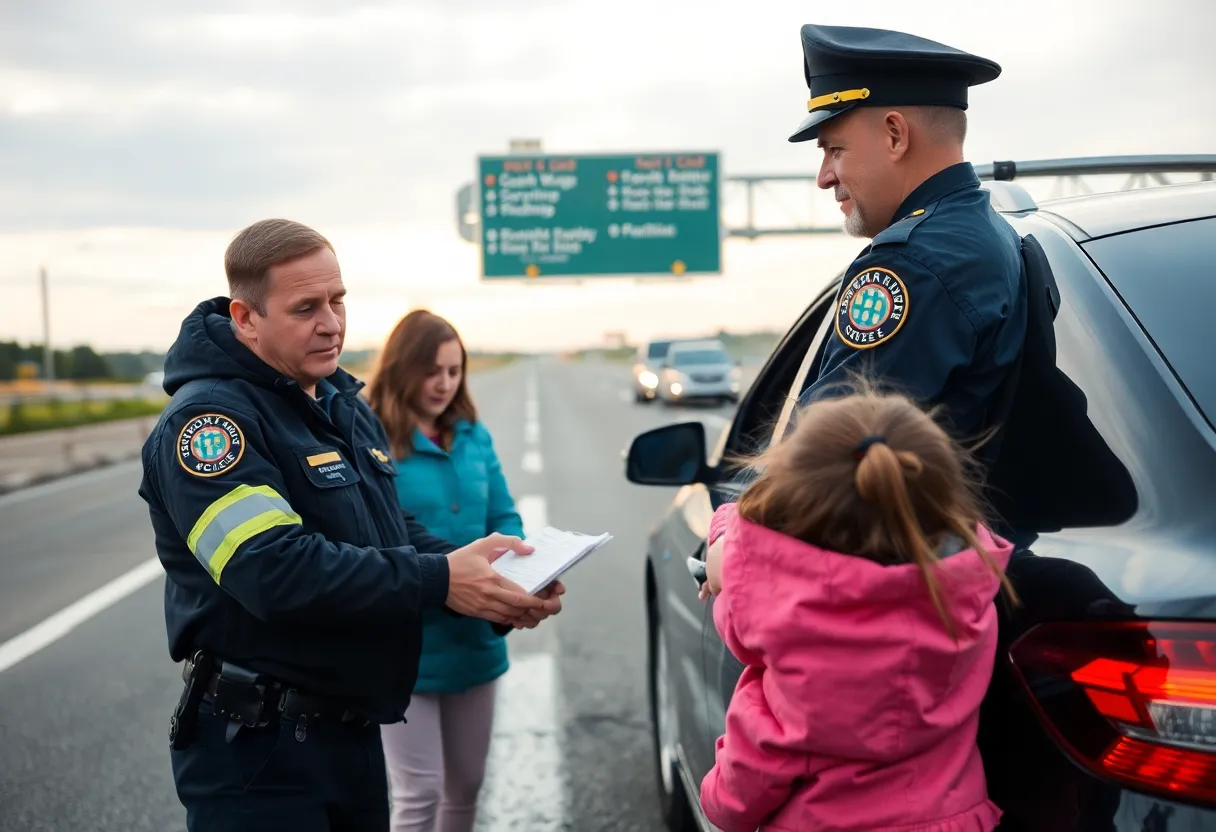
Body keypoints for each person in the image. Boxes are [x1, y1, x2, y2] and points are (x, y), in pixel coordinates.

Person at [137, 218, 563, 832]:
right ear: (246, 317)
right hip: (261, 754)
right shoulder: (210, 425)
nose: (331, 322)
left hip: (352, 735)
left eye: (338, 300)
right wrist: (441, 580)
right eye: (305, 307)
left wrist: (496, 580)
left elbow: (390, 536)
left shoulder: (335, 402)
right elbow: (273, 569)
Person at [697, 385, 1017, 832]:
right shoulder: (967, 606)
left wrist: (730, 540)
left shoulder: (792, 672)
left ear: (787, 520)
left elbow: (735, 797)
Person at [789, 24, 1028, 477]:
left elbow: (818, 475)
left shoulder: (913, 264)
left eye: (835, 149)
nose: (824, 176)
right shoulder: (980, 230)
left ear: (896, 135)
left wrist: (728, 529)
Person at [365, 310, 523, 832]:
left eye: (455, 371)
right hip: (406, 643)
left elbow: (503, 514)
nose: (444, 383)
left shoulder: (473, 435)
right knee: (419, 792)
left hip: (475, 639)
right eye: (432, 370)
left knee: (467, 786)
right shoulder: (371, 438)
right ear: (401, 367)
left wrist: (527, 570)